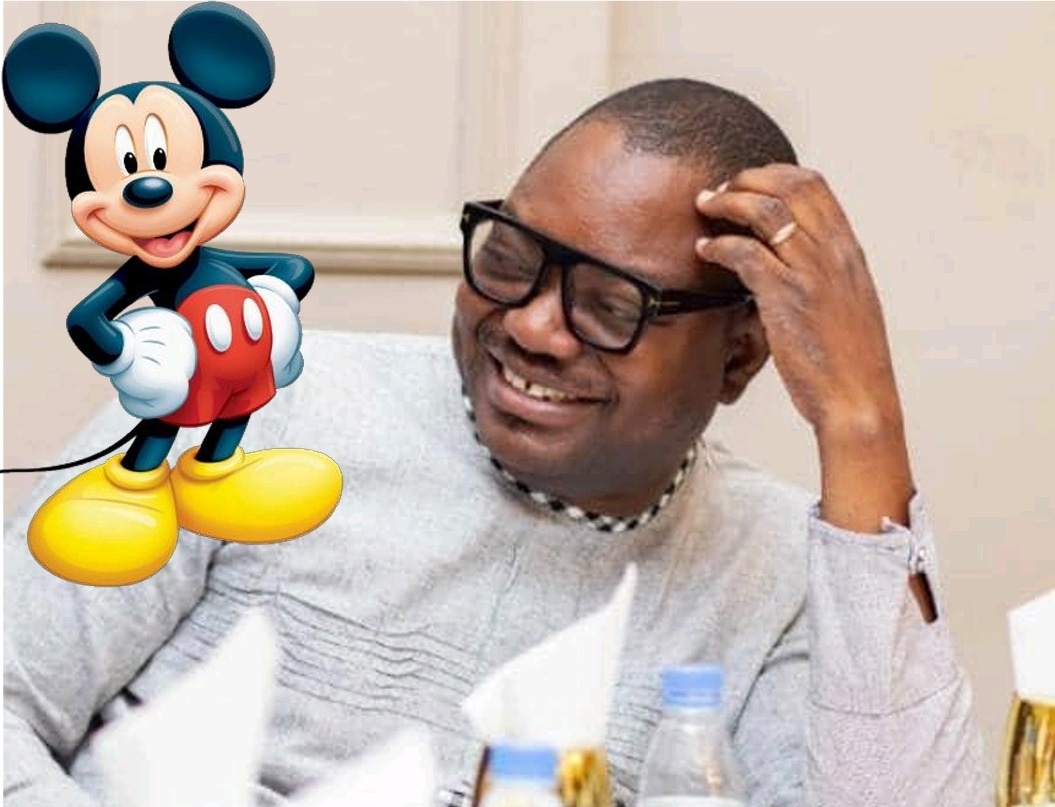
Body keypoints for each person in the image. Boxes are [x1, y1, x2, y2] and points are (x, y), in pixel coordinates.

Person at [4, 78, 989, 807]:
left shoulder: (780, 575)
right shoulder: (255, 407)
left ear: (737, 359)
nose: (530, 325)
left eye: (609, 305)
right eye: (510, 257)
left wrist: (861, 425)